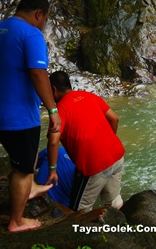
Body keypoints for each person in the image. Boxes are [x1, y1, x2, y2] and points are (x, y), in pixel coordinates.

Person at [0, 0, 61, 232]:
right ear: (39, 14)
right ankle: (17, 220)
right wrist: (52, 109)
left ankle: (30, 186)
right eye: (45, 20)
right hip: (19, 117)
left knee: (25, 155)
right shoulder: (31, 34)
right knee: (23, 169)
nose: (43, 25)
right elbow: (38, 73)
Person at [46, 71, 125, 212]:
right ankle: (120, 223)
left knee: (79, 210)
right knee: (114, 202)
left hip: (94, 165)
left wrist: (52, 170)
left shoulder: (60, 111)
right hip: (117, 156)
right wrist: (106, 144)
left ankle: (84, 226)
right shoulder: (90, 96)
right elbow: (114, 118)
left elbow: (53, 141)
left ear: (53, 89)